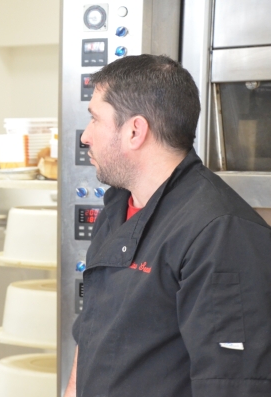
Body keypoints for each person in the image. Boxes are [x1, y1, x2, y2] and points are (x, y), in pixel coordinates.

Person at [64, 54, 271, 397]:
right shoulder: (117, 206)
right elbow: (90, 333)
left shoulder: (220, 233)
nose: (85, 137)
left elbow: (232, 384)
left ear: (135, 131)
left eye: (95, 120)